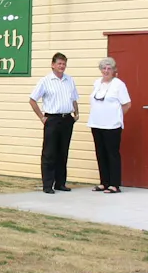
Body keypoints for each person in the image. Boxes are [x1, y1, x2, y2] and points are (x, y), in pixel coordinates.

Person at [28, 52, 79, 194]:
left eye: (64, 64)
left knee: (63, 152)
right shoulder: (45, 81)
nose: (62, 66)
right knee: (49, 153)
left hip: (66, 119)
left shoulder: (69, 80)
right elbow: (32, 100)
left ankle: (60, 183)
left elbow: (74, 98)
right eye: (59, 64)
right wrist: (41, 117)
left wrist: (76, 113)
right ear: (53, 65)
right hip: (52, 119)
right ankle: (48, 185)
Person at [88, 57, 131, 194]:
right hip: (96, 124)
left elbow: (127, 104)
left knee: (112, 154)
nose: (106, 71)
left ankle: (114, 184)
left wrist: (116, 116)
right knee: (100, 154)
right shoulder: (97, 83)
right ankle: (104, 182)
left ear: (114, 70)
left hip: (112, 126)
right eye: (104, 68)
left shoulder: (119, 84)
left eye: (109, 68)